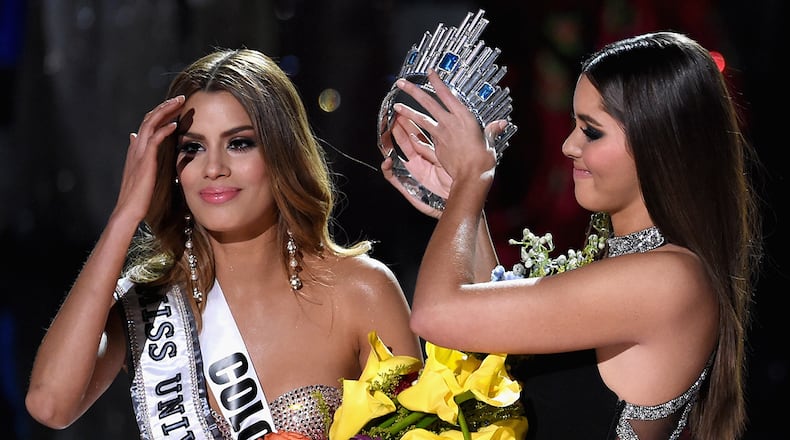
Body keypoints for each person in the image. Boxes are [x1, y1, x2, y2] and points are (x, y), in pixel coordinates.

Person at [25, 48, 422, 440]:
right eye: (192, 148)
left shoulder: (361, 292)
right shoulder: (149, 307)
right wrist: (123, 217)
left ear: (282, 153)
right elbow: (50, 405)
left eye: (240, 143)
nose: (213, 168)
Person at [381, 31, 762, 440]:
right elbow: (496, 335)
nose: (567, 146)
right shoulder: (638, 267)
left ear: (660, 141)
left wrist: (472, 182)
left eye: (591, 132)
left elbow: (436, 317)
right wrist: (459, 199)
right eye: (574, 125)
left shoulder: (670, 279)